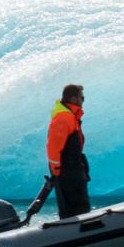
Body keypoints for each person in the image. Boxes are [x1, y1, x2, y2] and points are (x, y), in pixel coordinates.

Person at [47, 83, 91, 218]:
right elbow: (53, 146)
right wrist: (57, 171)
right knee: (73, 207)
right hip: (67, 171)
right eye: (82, 98)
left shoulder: (71, 117)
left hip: (74, 168)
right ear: (73, 99)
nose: (83, 101)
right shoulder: (64, 117)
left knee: (81, 204)